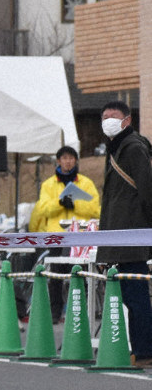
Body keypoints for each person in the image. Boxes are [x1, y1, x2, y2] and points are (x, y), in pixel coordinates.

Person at [96, 101, 152, 368]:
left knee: (136, 296)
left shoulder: (134, 147)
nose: (107, 120)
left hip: (130, 237)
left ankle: (144, 352)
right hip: (119, 236)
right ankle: (140, 349)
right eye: (104, 117)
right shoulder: (117, 149)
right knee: (132, 296)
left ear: (126, 121)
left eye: (113, 117)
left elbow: (148, 190)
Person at [29, 146, 100, 323]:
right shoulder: (48, 184)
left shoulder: (86, 183)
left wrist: (75, 204)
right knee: (55, 277)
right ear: (58, 161)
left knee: (80, 275)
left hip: (79, 236)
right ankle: (54, 313)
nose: (68, 161)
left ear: (76, 161)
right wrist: (60, 202)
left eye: (71, 158)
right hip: (57, 236)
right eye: (64, 158)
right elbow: (42, 208)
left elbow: (96, 209)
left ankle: (81, 311)